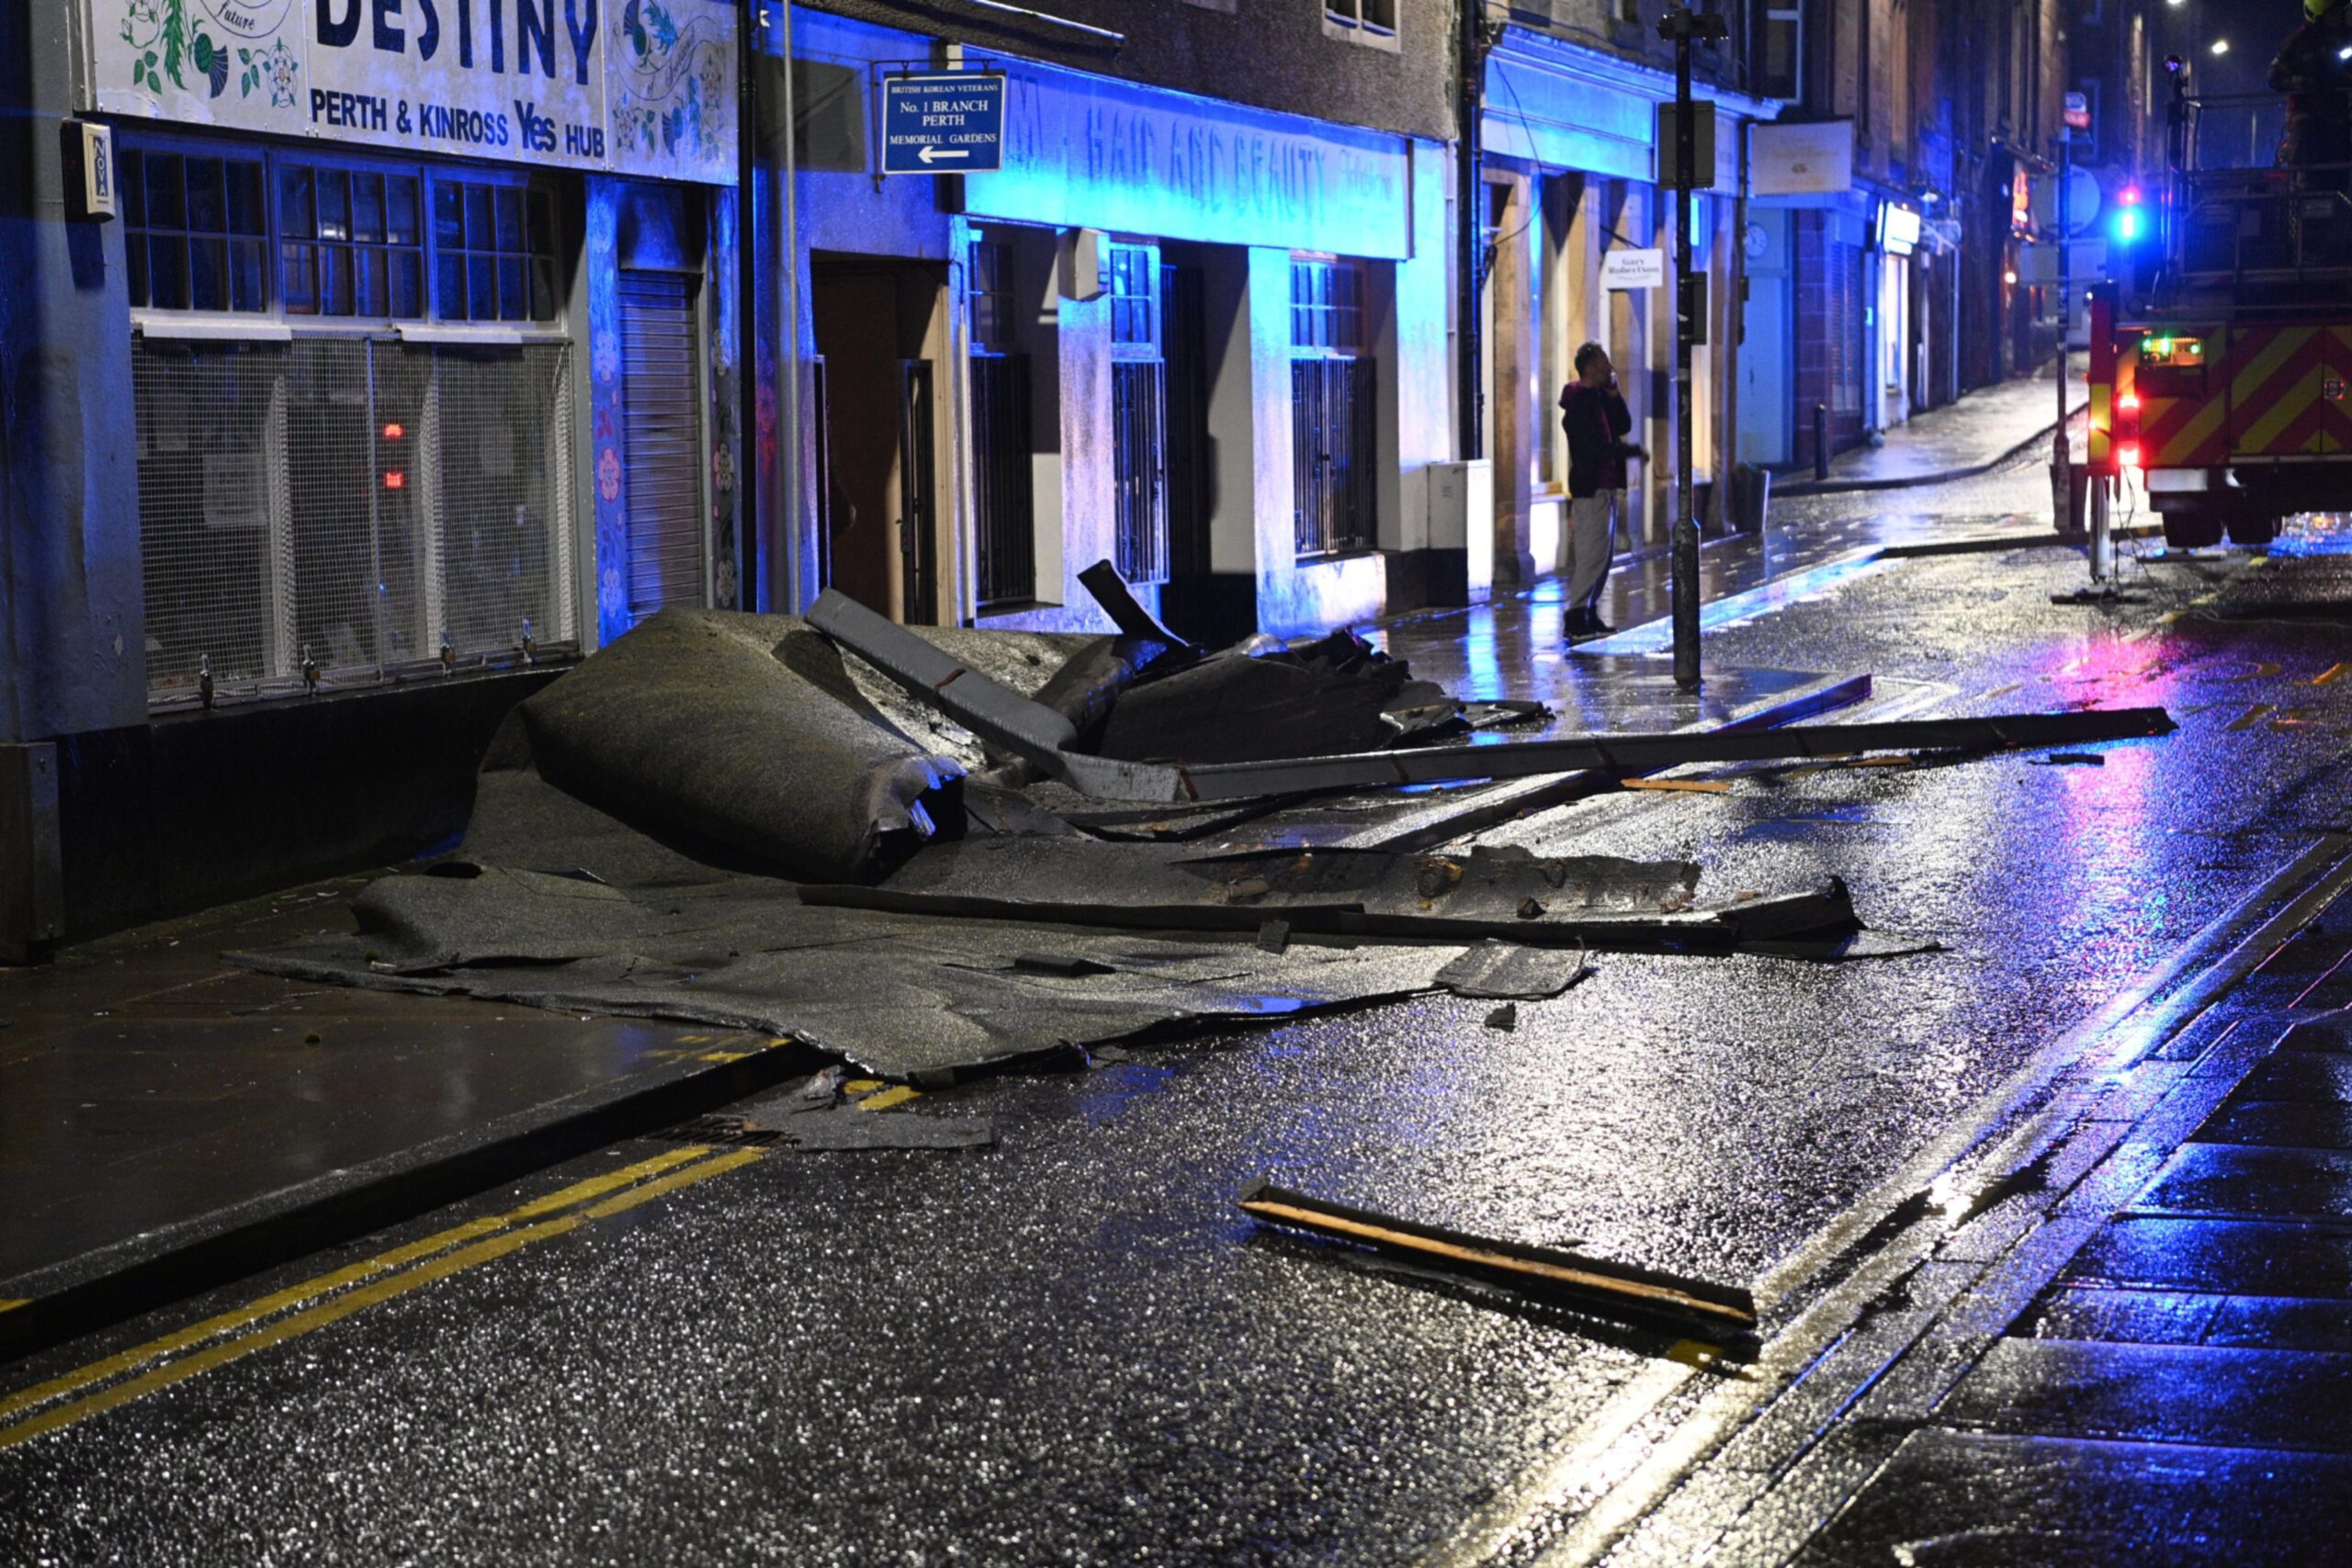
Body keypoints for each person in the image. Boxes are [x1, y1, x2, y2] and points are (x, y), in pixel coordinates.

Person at [1558, 342, 1645, 639]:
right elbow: (1591, 448)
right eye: (1605, 361)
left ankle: (1590, 612)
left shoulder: (1597, 397)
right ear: (1592, 367)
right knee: (1591, 556)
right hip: (1591, 486)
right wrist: (1628, 452)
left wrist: (1613, 392)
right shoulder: (1579, 402)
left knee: (1603, 558)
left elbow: (1624, 423)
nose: (1610, 366)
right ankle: (1575, 618)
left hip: (1606, 485)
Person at [2271, 0, 2352, 193]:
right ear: (2320, 16)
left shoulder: (2347, 37)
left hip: (2340, 124)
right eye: (2336, 12)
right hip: (2308, 125)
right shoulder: (2298, 42)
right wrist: (2307, 83)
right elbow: (2275, 78)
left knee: (2341, 186)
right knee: (2307, 187)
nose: (2342, 16)